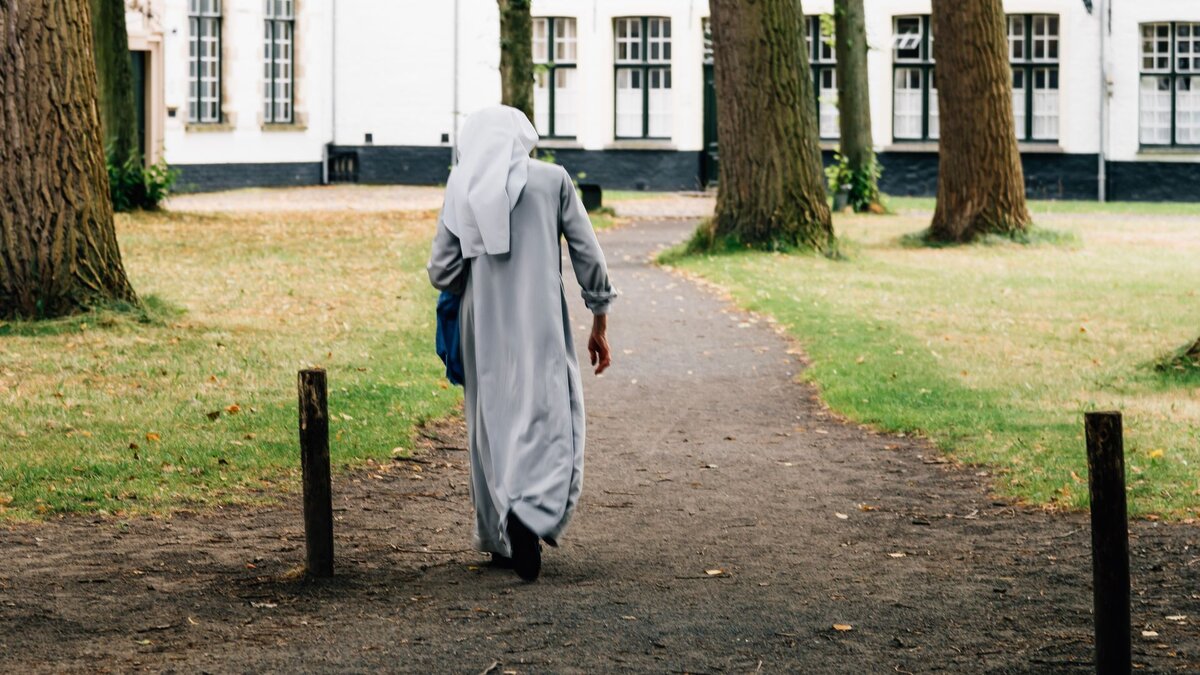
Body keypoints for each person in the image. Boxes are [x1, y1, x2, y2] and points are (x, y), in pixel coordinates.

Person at [427, 105, 616, 582]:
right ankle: (531, 511)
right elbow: (586, 251)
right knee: (549, 412)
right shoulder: (552, 180)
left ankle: (499, 536)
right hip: (540, 319)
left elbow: (442, 271)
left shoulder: (461, 185)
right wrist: (599, 317)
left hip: (483, 324)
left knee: (490, 423)